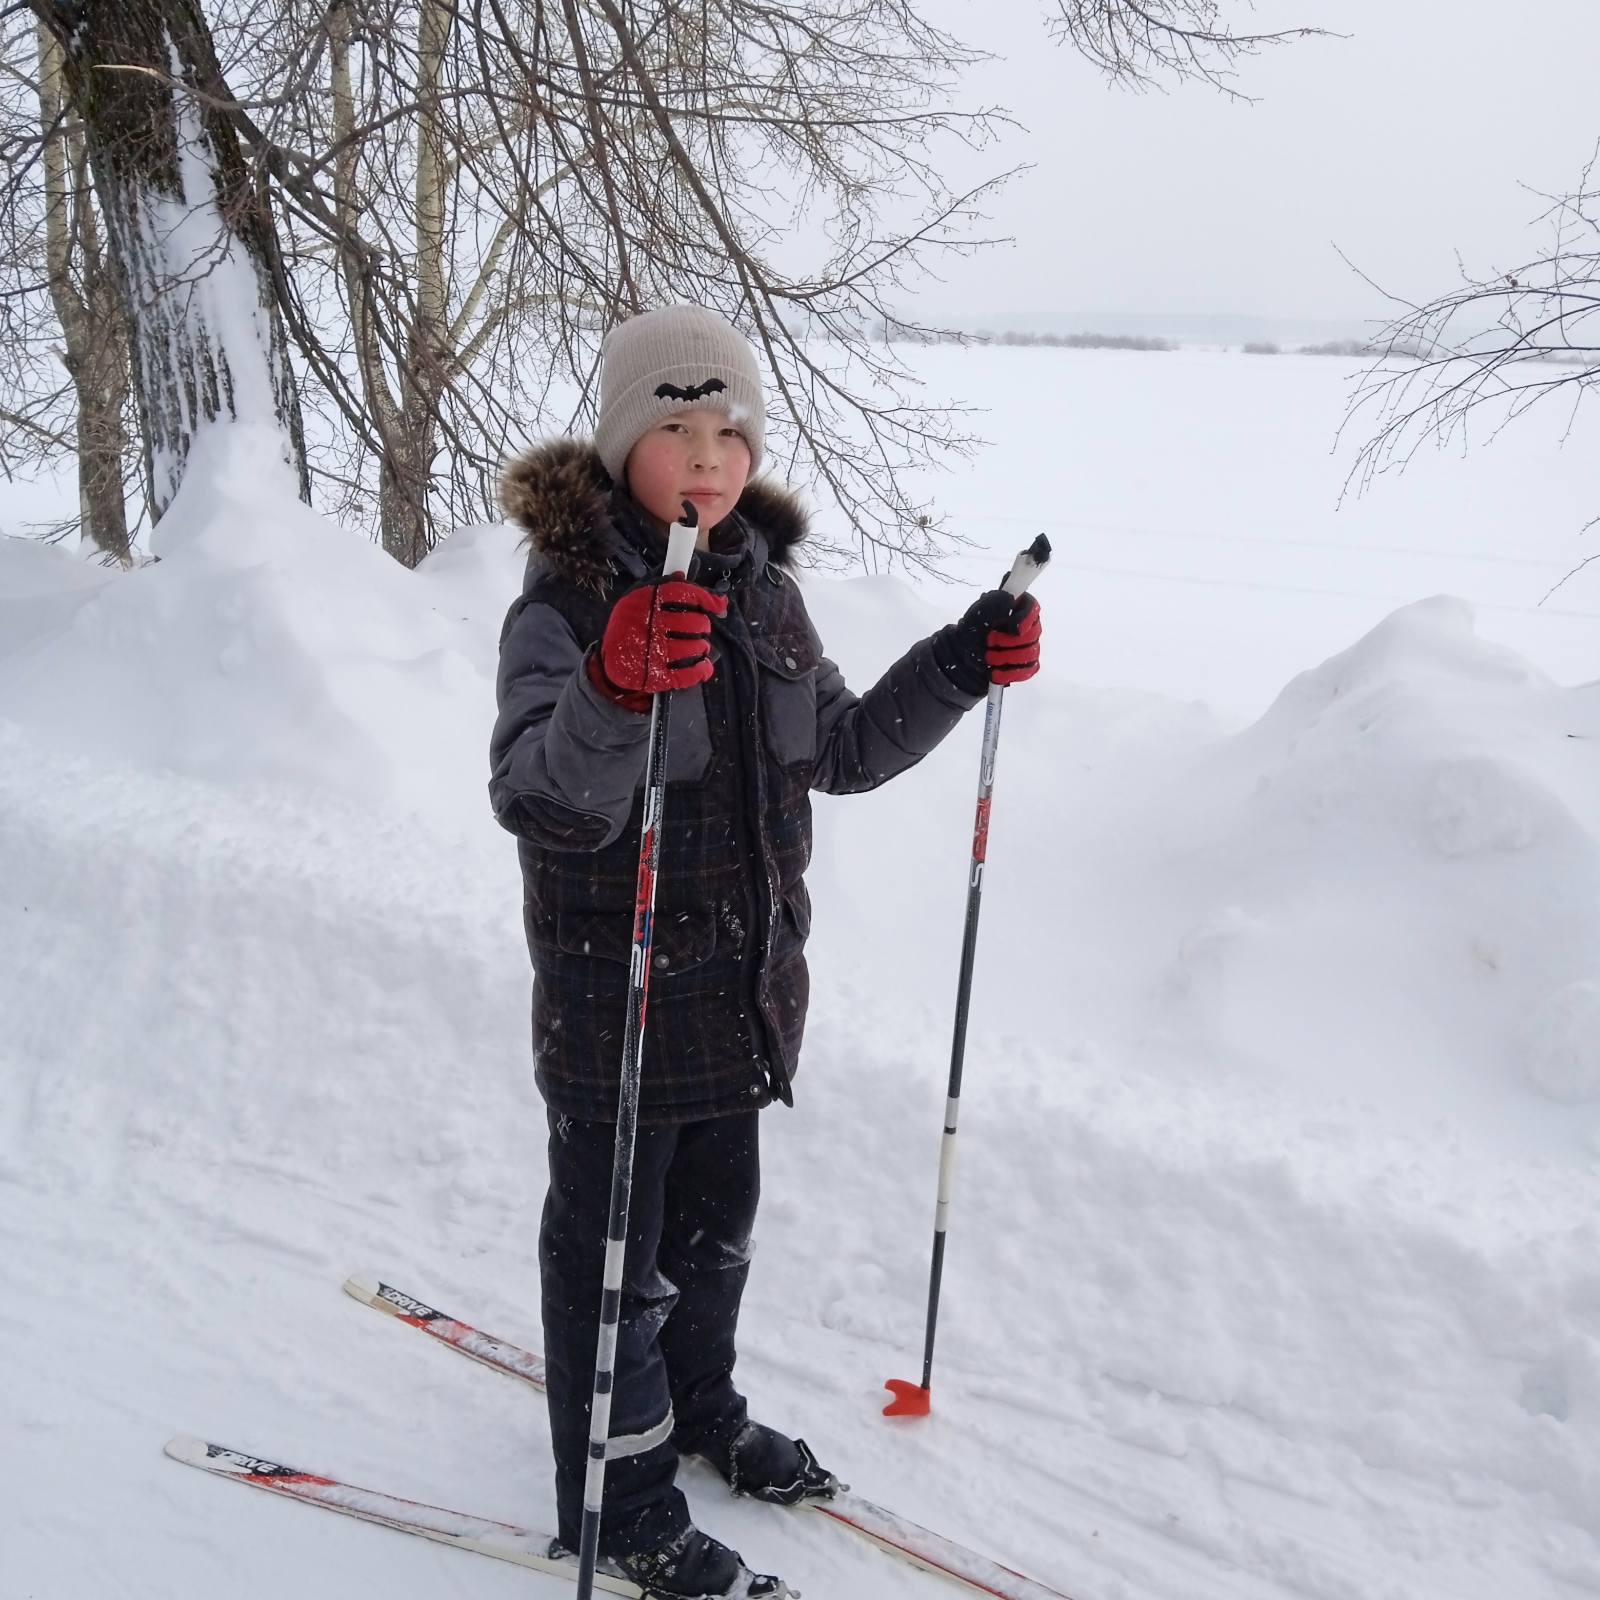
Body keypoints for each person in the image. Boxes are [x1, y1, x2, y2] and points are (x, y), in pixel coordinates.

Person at [488, 304, 1042, 1599]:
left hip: (741, 999)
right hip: (614, 1005)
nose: (705, 456)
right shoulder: (569, 600)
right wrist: (614, 687)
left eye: (725, 429)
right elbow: (539, 793)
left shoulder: (761, 591)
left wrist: (962, 665)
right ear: (626, 442)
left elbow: (839, 749)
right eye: (673, 428)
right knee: (613, 1258)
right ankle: (616, 1493)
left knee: (713, 1235)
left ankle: (698, 1410)